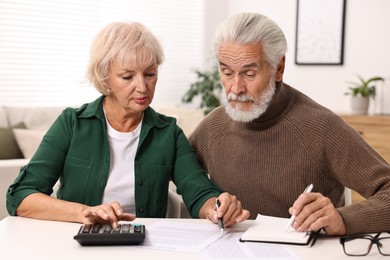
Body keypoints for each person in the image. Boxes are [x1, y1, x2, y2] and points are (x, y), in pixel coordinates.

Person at [6, 22, 250, 228]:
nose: (142, 87)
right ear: (105, 78)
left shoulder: (168, 133)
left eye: (150, 74)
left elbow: (199, 192)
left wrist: (218, 207)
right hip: (76, 244)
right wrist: (84, 213)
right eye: (127, 77)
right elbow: (21, 196)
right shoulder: (72, 124)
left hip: (144, 246)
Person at [189, 12, 390, 236]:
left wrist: (343, 218)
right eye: (226, 72)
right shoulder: (213, 126)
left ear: (278, 68)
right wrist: (211, 204)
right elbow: (173, 174)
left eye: (249, 73)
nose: (235, 88)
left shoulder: (322, 127)